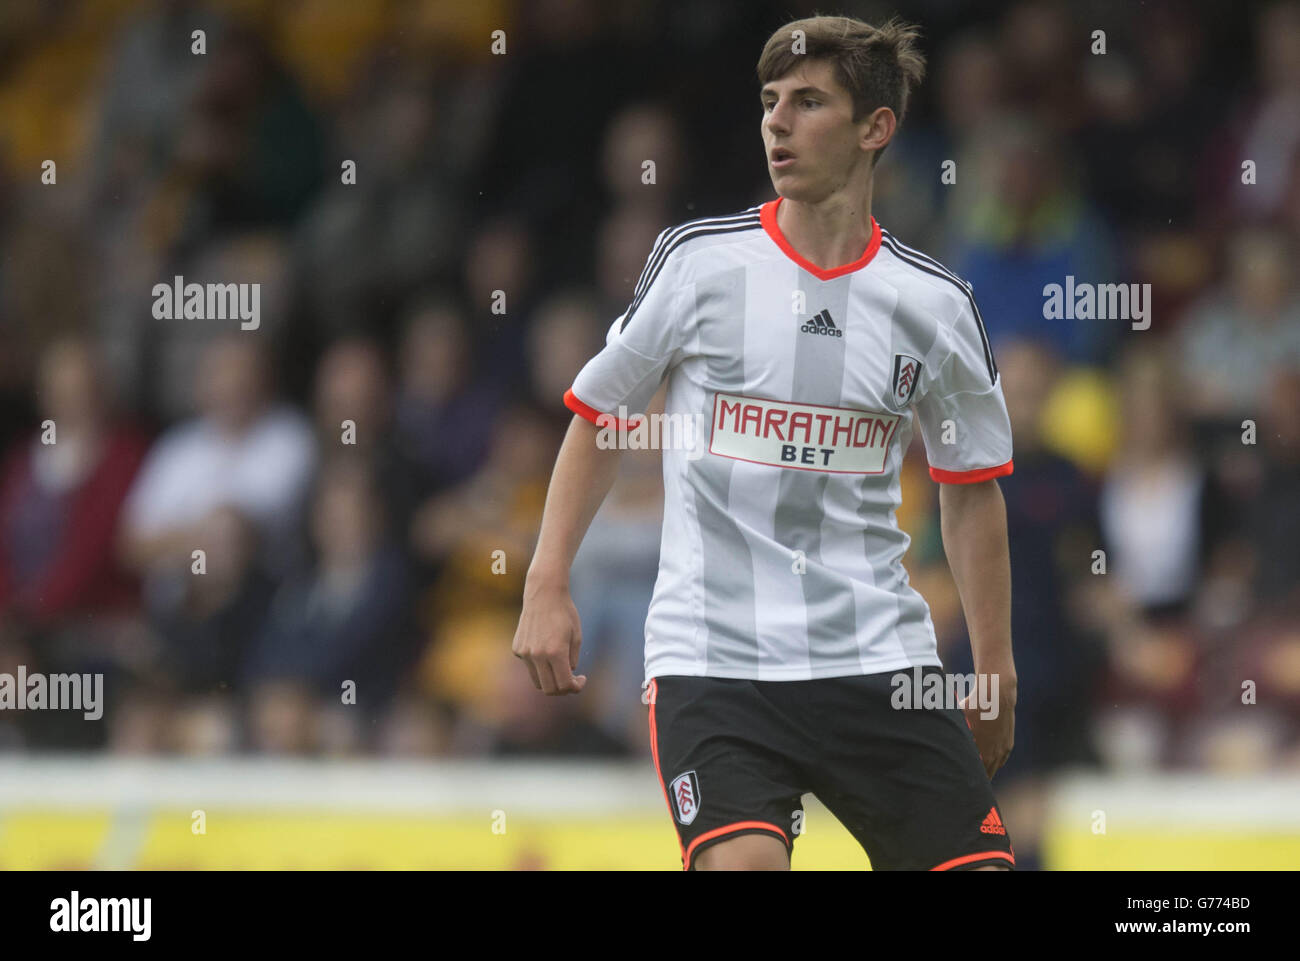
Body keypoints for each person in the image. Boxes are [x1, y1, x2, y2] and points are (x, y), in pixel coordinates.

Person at [513, 15, 1017, 871]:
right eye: (769, 101)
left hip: (879, 656)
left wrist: (994, 666)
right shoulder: (699, 263)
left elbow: (969, 486)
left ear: (875, 129)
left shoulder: (933, 304)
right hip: (718, 659)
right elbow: (601, 417)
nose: (777, 122)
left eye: (808, 102)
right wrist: (546, 578)